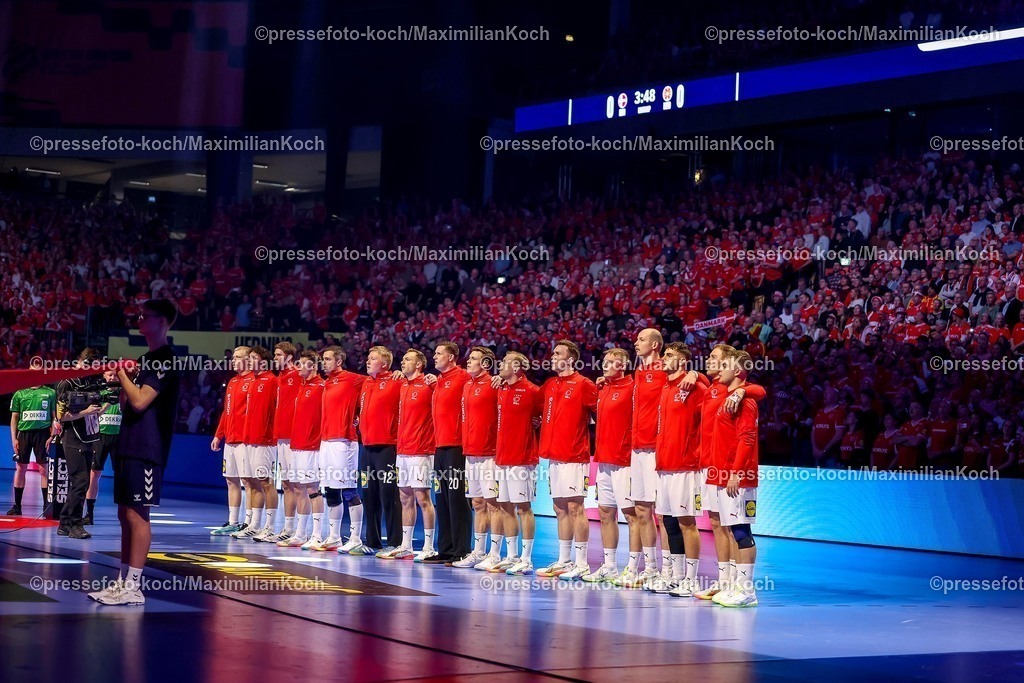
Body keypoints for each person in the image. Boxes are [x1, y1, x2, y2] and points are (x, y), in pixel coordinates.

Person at [90, 299, 180, 606]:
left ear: (162, 322)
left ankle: (134, 587)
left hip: (147, 448)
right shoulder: (144, 359)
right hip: (128, 443)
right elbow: (128, 402)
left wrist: (123, 376)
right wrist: (121, 382)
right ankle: (121, 581)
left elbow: (141, 401)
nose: (139, 320)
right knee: (124, 513)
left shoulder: (165, 359)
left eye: (146, 316)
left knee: (138, 515)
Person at [536, 340, 598, 580]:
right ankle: (564, 560)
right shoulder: (550, 384)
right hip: (553, 456)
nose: (552, 356)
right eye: (552, 352)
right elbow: (534, 406)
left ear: (570, 359)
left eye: (557, 353)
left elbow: (601, 413)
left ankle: (581, 563)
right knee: (559, 507)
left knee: (575, 508)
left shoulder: (584, 384)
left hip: (574, 456)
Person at [707, 349, 760, 608]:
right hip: (724, 475)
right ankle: (736, 586)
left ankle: (747, 591)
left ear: (738, 371)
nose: (720, 369)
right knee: (731, 529)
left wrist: (736, 472)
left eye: (725, 365)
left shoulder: (745, 402)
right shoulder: (730, 397)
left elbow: (747, 439)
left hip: (738, 477)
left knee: (741, 530)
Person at [654, 343, 706, 597]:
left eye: (669, 355)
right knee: (668, 521)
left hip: (686, 465)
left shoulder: (694, 387)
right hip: (664, 465)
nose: (663, 358)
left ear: (683, 362)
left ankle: (692, 580)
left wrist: (697, 375)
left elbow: (713, 401)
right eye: (664, 354)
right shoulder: (666, 387)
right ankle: (675, 576)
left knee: (687, 522)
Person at [583, 348, 635, 583]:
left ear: (622, 365)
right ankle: (610, 566)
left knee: (632, 515)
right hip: (603, 461)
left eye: (611, 362)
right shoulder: (602, 388)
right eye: (604, 361)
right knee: (605, 513)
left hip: (625, 461)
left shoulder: (633, 387)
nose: (605, 365)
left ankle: (633, 568)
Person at [379, 349, 436, 560]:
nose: (402, 362)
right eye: (402, 359)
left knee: (423, 498)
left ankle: (429, 547)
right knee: (404, 497)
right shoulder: (402, 384)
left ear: (419, 364)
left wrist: (436, 381)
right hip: (402, 449)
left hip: (421, 449)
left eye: (408, 359)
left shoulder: (429, 384)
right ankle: (406, 545)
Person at [488, 351, 541, 575]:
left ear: (517, 367)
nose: (500, 365)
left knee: (524, 508)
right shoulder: (500, 388)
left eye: (505, 363)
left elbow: (546, 414)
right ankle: (511, 556)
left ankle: (526, 559)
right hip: (502, 457)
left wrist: (538, 422)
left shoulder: (532, 391)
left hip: (522, 458)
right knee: (504, 506)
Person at [423, 341, 471, 564]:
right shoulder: (439, 380)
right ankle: (445, 549)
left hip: (457, 446)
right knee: (441, 499)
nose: (434, 356)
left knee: (457, 499)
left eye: (439, 353)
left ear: (451, 357)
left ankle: (461, 550)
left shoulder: (463, 377)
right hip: (439, 447)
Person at [451, 346, 500, 568]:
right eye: (469, 358)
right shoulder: (467, 385)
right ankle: (479, 552)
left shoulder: (495, 384)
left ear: (486, 364)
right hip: (470, 452)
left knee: (493, 504)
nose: (468, 361)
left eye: (473, 359)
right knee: (477, 503)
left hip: (490, 453)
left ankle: (495, 554)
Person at [315, 346, 367, 553]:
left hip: (344, 442)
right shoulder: (327, 382)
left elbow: (374, 385)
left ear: (339, 361)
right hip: (326, 441)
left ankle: (355, 538)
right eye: (323, 359)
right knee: (330, 490)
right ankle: (334, 537)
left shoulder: (353, 379)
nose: (324, 362)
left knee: (349, 490)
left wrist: (359, 415)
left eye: (327, 359)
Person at [278, 349, 326, 549]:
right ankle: (300, 533)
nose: (297, 367)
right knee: (298, 488)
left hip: (311, 445)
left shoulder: (322, 386)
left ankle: (317, 535)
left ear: (313, 366)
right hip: (296, 444)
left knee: (313, 489)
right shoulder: (301, 385)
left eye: (302, 363)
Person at [55, 348, 105, 539]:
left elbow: (95, 410)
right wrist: (86, 412)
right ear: (80, 361)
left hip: (89, 436)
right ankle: (75, 524)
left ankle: (64, 523)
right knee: (80, 481)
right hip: (73, 437)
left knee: (81, 483)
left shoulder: (91, 381)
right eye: (89, 363)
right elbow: (61, 416)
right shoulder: (66, 383)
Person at [361, 347, 404, 556]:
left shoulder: (397, 381)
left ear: (385, 364)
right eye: (368, 358)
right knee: (368, 495)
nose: (368, 361)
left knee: (389, 496)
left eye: (373, 359)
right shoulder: (365, 382)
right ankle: (372, 541)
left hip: (387, 446)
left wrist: (403, 374)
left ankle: (395, 542)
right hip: (366, 446)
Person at [209, 347, 252, 536]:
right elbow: (227, 412)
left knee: (248, 481)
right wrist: (219, 435)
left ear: (248, 360)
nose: (233, 360)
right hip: (230, 439)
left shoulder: (253, 381)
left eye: (237, 357)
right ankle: (233, 521)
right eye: (233, 357)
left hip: (245, 440)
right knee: (231, 479)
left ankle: (249, 522)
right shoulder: (233, 382)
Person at [238, 346, 279, 541]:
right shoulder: (252, 381)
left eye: (253, 358)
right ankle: (254, 525)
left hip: (264, 441)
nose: (249, 361)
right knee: (251, 481)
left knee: (266, 483)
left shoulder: (272, 381)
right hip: (248, 438)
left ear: (263, 362)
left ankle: (270, 527)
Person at [8, 383, 56, 516]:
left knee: (43, 469)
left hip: (43, 434)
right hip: (24, 434)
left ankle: (46, 507)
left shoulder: (50, 393)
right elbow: (14, 417)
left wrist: (52, 436)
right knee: (20, 468)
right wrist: (14, 439)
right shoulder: (19, 393)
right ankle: (17, 506)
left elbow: (54, 417)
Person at [271, 342, 301, 542]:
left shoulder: (298, 375)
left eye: (278, 354)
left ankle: (300, 529)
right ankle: (288, 528)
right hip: (281, 435)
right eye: (274, 354)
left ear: (289, 357)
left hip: (294, 436)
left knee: (297, 483)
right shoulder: (280, 377)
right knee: (286, 483)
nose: (275, 358)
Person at [85, 369, 122, 525]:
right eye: (109, 375)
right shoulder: (99, 394)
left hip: (119, 438)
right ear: (104, 376)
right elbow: (92, 416)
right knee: (94, 474)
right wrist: (108, 403)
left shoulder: (124, 393)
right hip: (100, 437)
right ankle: (89, 514)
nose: (112, 377)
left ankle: (124, 514)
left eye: (115, 375)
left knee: (122, 476)